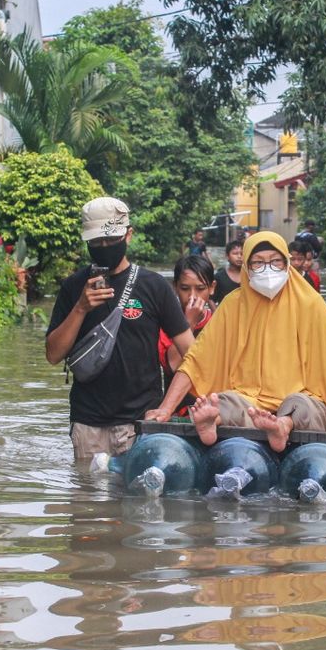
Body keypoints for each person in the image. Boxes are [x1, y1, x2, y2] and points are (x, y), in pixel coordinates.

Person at [146, 231, 326, 453]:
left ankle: (283, 426)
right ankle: (211, 423)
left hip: (300, 398)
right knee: (222, 402)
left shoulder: (310, 303)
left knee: (304, 406)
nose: (268, 269)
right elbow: (197, 360)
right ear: (246, 267)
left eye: (275, 262)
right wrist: (166, 409)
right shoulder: (232, 305)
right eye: (258, 263)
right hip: (248, 402)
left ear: (287, 263)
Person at [46, 196, 194, 463]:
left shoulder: (154, 286)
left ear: (128, 235)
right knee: (87, 502)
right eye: (96, 243)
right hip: (88, 422)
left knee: (139, 500)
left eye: (110, 240)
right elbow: (53, 354)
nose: (103, 247)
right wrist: (80, 308)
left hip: (140, 422)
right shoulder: (73, 287)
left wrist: (166, 408)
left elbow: (192, 353)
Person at [159, 253, 217, 381]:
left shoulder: (219, 324)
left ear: (212, 288)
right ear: (175, 287)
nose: (193, 296)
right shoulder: (165, 325)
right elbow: (172, 366)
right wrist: (189, 322)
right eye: (185, 288)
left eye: (200, 288)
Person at [213, 239, 243, 304]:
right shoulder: (219, 277)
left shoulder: (250, 276)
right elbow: (211, 299)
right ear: (227, 256)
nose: (239, 256)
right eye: (235, 253)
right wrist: (217, 313)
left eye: (242, 253)